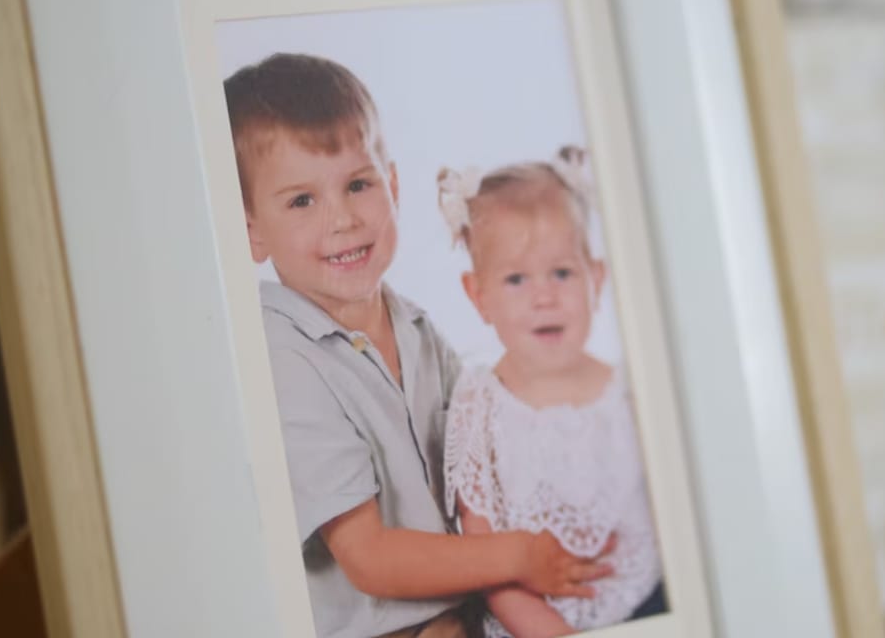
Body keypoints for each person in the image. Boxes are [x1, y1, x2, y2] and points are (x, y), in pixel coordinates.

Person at [222, 54, 612, 638]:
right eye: (302, 200)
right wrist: (519, 557)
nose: (343, 220)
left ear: (394, 186)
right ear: (251, 230)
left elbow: (488, 456)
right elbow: (370, 559)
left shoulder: (418, 328)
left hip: (464, 609)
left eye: (358, 184)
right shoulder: (281, 357)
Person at [440, 147, 666, 638]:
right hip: (530, 619)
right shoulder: (480, 404)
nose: (544, 296)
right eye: (516, 279)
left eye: (562, 273)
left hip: (644, 601)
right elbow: (487, 560)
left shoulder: (629, 393)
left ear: (596, 280)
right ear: (479, 295)